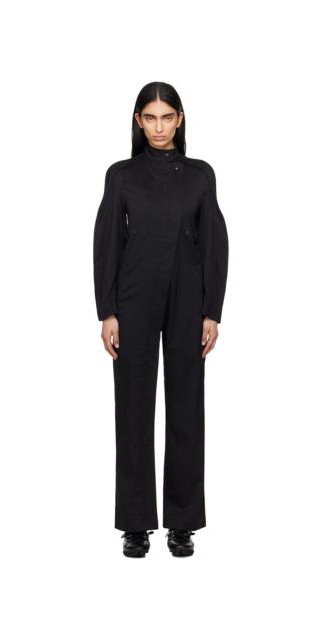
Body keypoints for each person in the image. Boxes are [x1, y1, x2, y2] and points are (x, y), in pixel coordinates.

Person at [93, 81, 229, 558]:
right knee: (133, 407)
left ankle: (182, 522)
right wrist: (107, 311)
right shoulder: (121, 175)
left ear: (180, 119)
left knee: (187, 407)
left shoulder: (200, 175)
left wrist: (212, 311)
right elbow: (107, 243)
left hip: (188, 297)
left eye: (166, 117)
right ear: (138, 121)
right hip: (134, 297)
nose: (158, 127)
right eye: (149, 118)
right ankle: (135, 523)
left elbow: (215, 244)